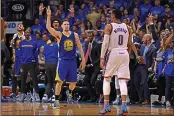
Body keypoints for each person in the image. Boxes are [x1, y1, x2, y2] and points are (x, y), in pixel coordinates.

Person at [99, 10, 139, 115]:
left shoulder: (109, 26)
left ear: (113, 16)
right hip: (124, 53)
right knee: (122, 81)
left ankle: (106, 106)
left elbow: (105, 43)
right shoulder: (128, 27)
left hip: (113, 53)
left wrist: (102, 57)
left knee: (107, 79)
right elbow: (130, 43)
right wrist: (136, 54)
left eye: (111, 15)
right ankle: (124, 106)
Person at [46, 6, 85, 108]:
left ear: (70, 25)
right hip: (63, 61)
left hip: (72, 61)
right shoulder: (59, 34)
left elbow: (80, 47)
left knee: (73, 83)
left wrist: (83, 59)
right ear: (62, 26)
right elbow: (48, 28)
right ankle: (57, 100)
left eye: (68, 24)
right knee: (59, 82)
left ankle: (70, 94)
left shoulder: (75, 35)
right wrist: (49, 16)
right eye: (65, 24)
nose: (67, 25)